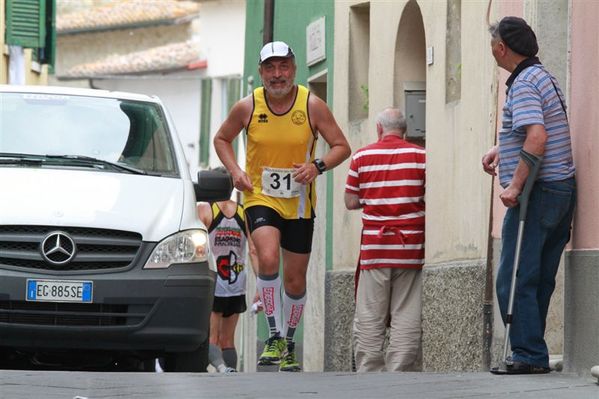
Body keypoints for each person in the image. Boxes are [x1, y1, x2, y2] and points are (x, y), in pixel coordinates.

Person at [213, 41, 351, 372]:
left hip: (300, 202)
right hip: (260, 195)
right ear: (261, 72)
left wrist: (317, 166)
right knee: (269, 256)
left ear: (294, 68)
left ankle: (288, 342)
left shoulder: (312, 105)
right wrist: (235, 172)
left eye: (283, 67)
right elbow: (222, 139)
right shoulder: (247, 107)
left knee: (295, 280)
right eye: (270, 68)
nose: (278, 75)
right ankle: (274, 334)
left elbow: (341, 146)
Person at [483, 17, 576, 375]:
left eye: (492, 44)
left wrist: (515, 185)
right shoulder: (544, 76)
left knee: (515, 276)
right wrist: (501, 149)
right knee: (538, 276)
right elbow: (538, 127)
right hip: (561, 188)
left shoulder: (522, 83)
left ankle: (527, 354)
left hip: (537, 192)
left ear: (502, 48)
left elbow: (537, 138)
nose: (491, 49)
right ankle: (531, 351)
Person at [344, 107, 425, 372]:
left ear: (379, 128)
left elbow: (351, 200)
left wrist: (374, 200)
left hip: (375, 248)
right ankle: (400, 370)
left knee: (370, 314)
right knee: (406, 312)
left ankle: (369, 371)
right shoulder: (420, 157)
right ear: (405, 129)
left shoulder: (362, 157)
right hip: (410, 247)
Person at [197, 194, 259, 372]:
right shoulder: (244, 212)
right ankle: (230, 376)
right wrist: (262, 286)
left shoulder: (205, 210)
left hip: (215, 282)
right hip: (237, 282)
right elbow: (253, 250)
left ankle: (222, 370)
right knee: (228, 340)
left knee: (212, 338)